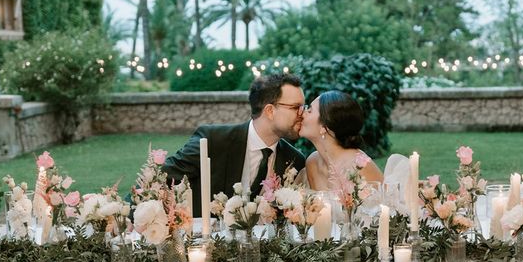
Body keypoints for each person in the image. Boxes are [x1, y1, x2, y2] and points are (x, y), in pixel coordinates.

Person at [162, 73, 307, 216]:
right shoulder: (213, 141)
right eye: (296, 107)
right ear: (269, 111)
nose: (303, 114)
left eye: (304, 107)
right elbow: (162, 179)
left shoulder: (295, 161)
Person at [299, 90, 383, 190]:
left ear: (324, 126)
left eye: (309, 111)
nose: (302, 114)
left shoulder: (359, 165)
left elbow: (384, 204)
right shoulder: (312, 163)